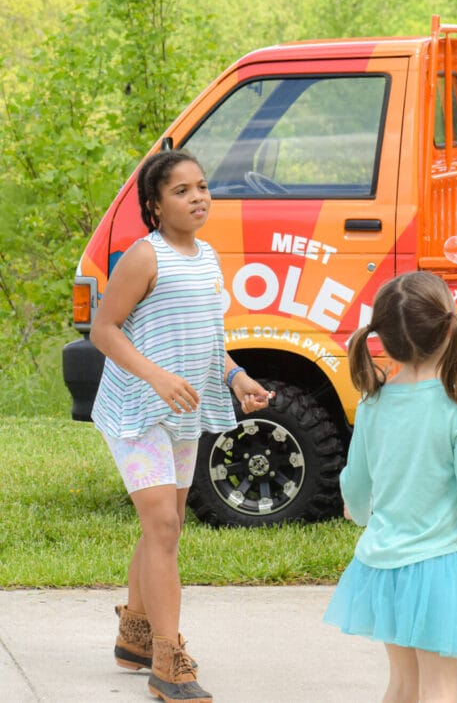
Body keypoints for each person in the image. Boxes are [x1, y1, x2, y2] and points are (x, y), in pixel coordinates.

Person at [91, 149, 273, 703]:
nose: (197, 197)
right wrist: (155, 377)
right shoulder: (145, 258)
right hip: (136, 412)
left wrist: (237, 375)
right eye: (181, 190)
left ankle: (135, 636)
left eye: (201, 187)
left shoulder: (207, 256)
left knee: (162, 527)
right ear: (155, 204)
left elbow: (203, 339)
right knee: (165, 526)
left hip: (183, 412)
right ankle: (168, 662)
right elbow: (104, 329)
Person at [322, 271, 457, 703]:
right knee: (440, 686)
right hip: (439, 568)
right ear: (447, 329)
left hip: (383, 567)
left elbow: (357, 481)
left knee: (402, 684)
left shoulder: (373, 402)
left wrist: (359, 510)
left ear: (382, 337)